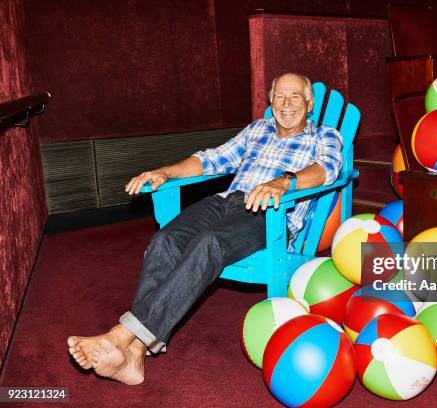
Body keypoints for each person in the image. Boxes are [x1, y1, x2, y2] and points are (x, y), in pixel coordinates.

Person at [66, 73, 343, 385]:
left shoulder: (325, 136)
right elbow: (212, 160)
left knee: (209, 243)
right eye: (279, 96)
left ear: (309, 103)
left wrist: (283, 181)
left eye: (295, 96)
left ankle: (122, 335)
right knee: (164, 240)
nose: (286, 103)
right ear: (270, 101)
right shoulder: (257, 130)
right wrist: (164, 172)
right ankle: (137, 355)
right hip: (226, 202)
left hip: (272, 213)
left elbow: (326, 170)